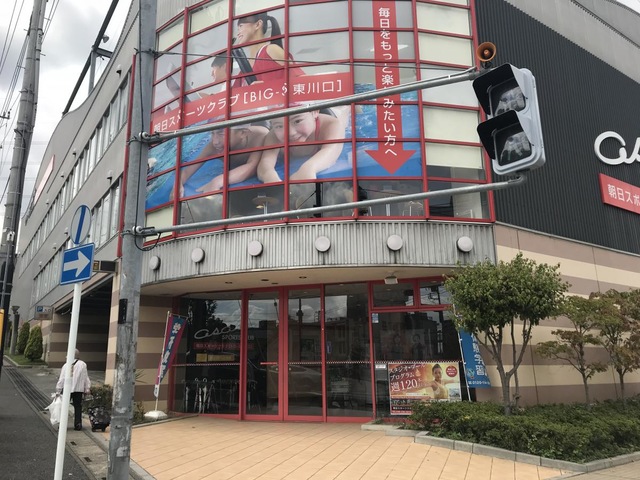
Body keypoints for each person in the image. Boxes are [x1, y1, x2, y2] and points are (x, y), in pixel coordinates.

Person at [172, 124, 269, 198]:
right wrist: (177, 186)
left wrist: (217, 181)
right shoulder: (212, 147)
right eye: (212, 133)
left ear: (243, 133)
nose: (215, 142)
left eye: (221, 133)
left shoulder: (260, 136)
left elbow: (252, 167)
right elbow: (187, 171)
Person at [257, 110, 346, 182]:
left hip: (334, 114)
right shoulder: (274, 136)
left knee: (343, 112)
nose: (290, 133)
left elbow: (331, 151)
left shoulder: (331, 125)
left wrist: (309, 168)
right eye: (279, 126)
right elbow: (265, 162)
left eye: (297, 121)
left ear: (315, 112)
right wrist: (269, 176)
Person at [233, 12, 304, 84]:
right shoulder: (244, 66)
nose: (238, 33)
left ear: (258, 25)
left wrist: (268, 86)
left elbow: (303, 81)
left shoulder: (271, 50)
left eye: (241, 26)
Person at [56, 349, 91, 431]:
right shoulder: (83, 364)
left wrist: (58, 390)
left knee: (64, 407)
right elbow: (85, 377)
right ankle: (78, 424)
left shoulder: (66, 365)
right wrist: (87, 388)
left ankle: (62, 424)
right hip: (79, 389)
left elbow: (62, 379)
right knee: (78, 406)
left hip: (67, 389)